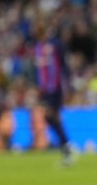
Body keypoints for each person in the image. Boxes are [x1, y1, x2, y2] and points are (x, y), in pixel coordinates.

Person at [31, 23, 77, 166]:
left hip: (55, 87)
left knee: (49, 116)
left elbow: (64, 66)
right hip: (44, 89)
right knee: (51, 118)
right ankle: (67, 148)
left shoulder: (55, 45)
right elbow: (38, 71)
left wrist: (68, 86)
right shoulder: (37, 48)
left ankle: (67, 146)